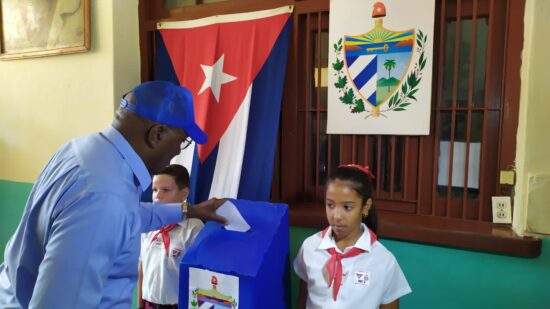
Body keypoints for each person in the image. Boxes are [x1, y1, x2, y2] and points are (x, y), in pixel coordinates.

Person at [0, 81, 227, 308]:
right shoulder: (105, 194)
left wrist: (190, 210)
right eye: (182, 141)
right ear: (157, 134)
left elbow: (129, 215)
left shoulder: (85, 151)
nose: (178, 151)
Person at [294, 164, 411, 309]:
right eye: (330, 205)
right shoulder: (310, 247)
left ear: (365, 206)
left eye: (347, 207)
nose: (336, 216)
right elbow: (303, 301)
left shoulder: (384, 261)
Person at [138, 164, 203, 309]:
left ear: (184, 193)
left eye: (166, 190)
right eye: (154, 190)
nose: (158, 195)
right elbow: (142, 265)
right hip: (149, 304)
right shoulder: (148, 225)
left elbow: (198, 276)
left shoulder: (194, 229)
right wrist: (140, 304)